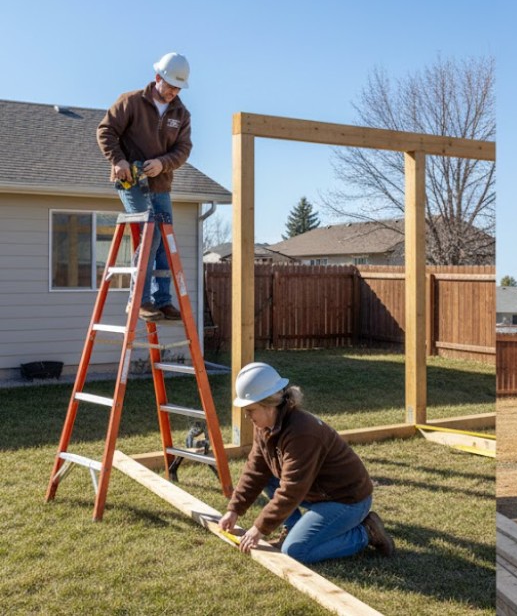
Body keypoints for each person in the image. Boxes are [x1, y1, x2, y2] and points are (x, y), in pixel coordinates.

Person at [218, 362, 395, 563]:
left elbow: (292, 489)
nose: (246, 415)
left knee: (295, 551)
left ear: (269, 404)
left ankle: (365, 533)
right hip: (317, 491)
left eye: (250, 410)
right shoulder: (265, 427)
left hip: (346, 499)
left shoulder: (302, 433)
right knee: (266, 475)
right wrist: (234, 510)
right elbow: (255, 470)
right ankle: (292, 527)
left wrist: (259, 528)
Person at [97, 52, 192, 322]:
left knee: (164, 240)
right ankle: (138, 301)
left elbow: (183, 149)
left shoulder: (181, 114)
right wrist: (118, 160)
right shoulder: (131, 101)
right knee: (150, 233)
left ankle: (162, 301)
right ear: (157, 78)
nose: (174, 91)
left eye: (178, 88)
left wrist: (163, 163)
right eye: (170, 85)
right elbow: (105, 131)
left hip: (160, 183)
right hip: (131, 180)